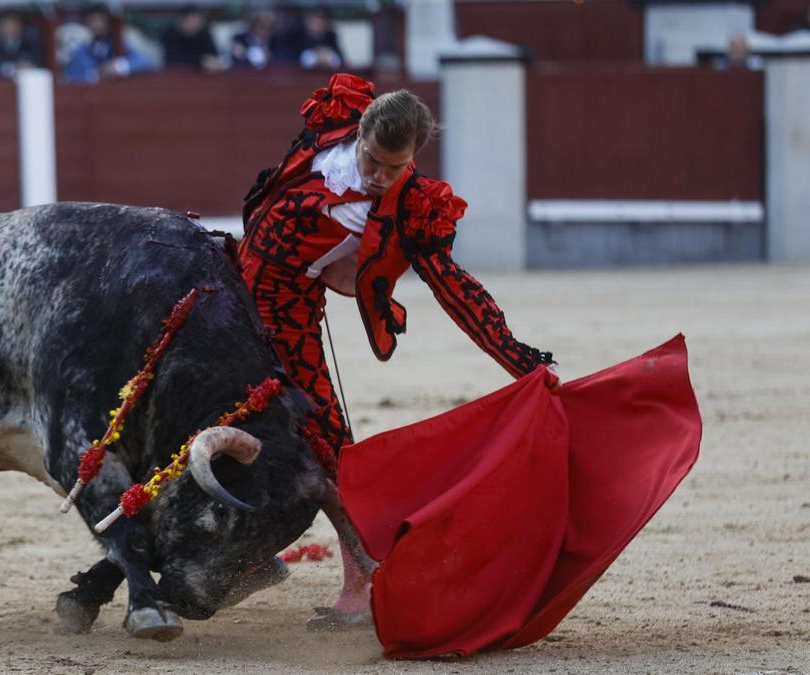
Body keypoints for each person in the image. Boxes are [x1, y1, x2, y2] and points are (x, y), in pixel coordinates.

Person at [238, 73, 555, 628]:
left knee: (327, 444)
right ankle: (235, 557)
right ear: (357, 134)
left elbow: (456, 290)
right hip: (230, 286)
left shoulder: (411, 206)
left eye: (394, 166)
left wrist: (517, 357)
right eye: (372, 161)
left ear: (415, 154)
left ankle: (359, 585)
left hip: (285, 321)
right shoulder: (330, 128)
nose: (379, 176)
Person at [63, 6, 152, 84]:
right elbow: (71, 75)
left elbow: (143, 60)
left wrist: (118, 67)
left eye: (100, 20)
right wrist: (97, 74)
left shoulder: (117, 43)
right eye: (92, 21)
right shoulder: (82, 48)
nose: (96, 25)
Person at [161, 6, 225, 72]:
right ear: (183, 20)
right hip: (178, 74)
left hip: (205, 74)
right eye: (193, 20)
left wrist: (212, 61)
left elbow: (214, 54)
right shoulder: (170, 35)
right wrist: (200, 61)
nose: (197, 24)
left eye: (199, 21)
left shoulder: (204, 34)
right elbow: (172, 60)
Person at [0, 11, 41, 78]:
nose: (12, 28)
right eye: (8, 24)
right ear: (1, 26)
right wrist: (12, 67)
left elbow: (37, 63)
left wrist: (26, 65)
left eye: (15, 24)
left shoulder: (29, 41)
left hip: (26, 80)